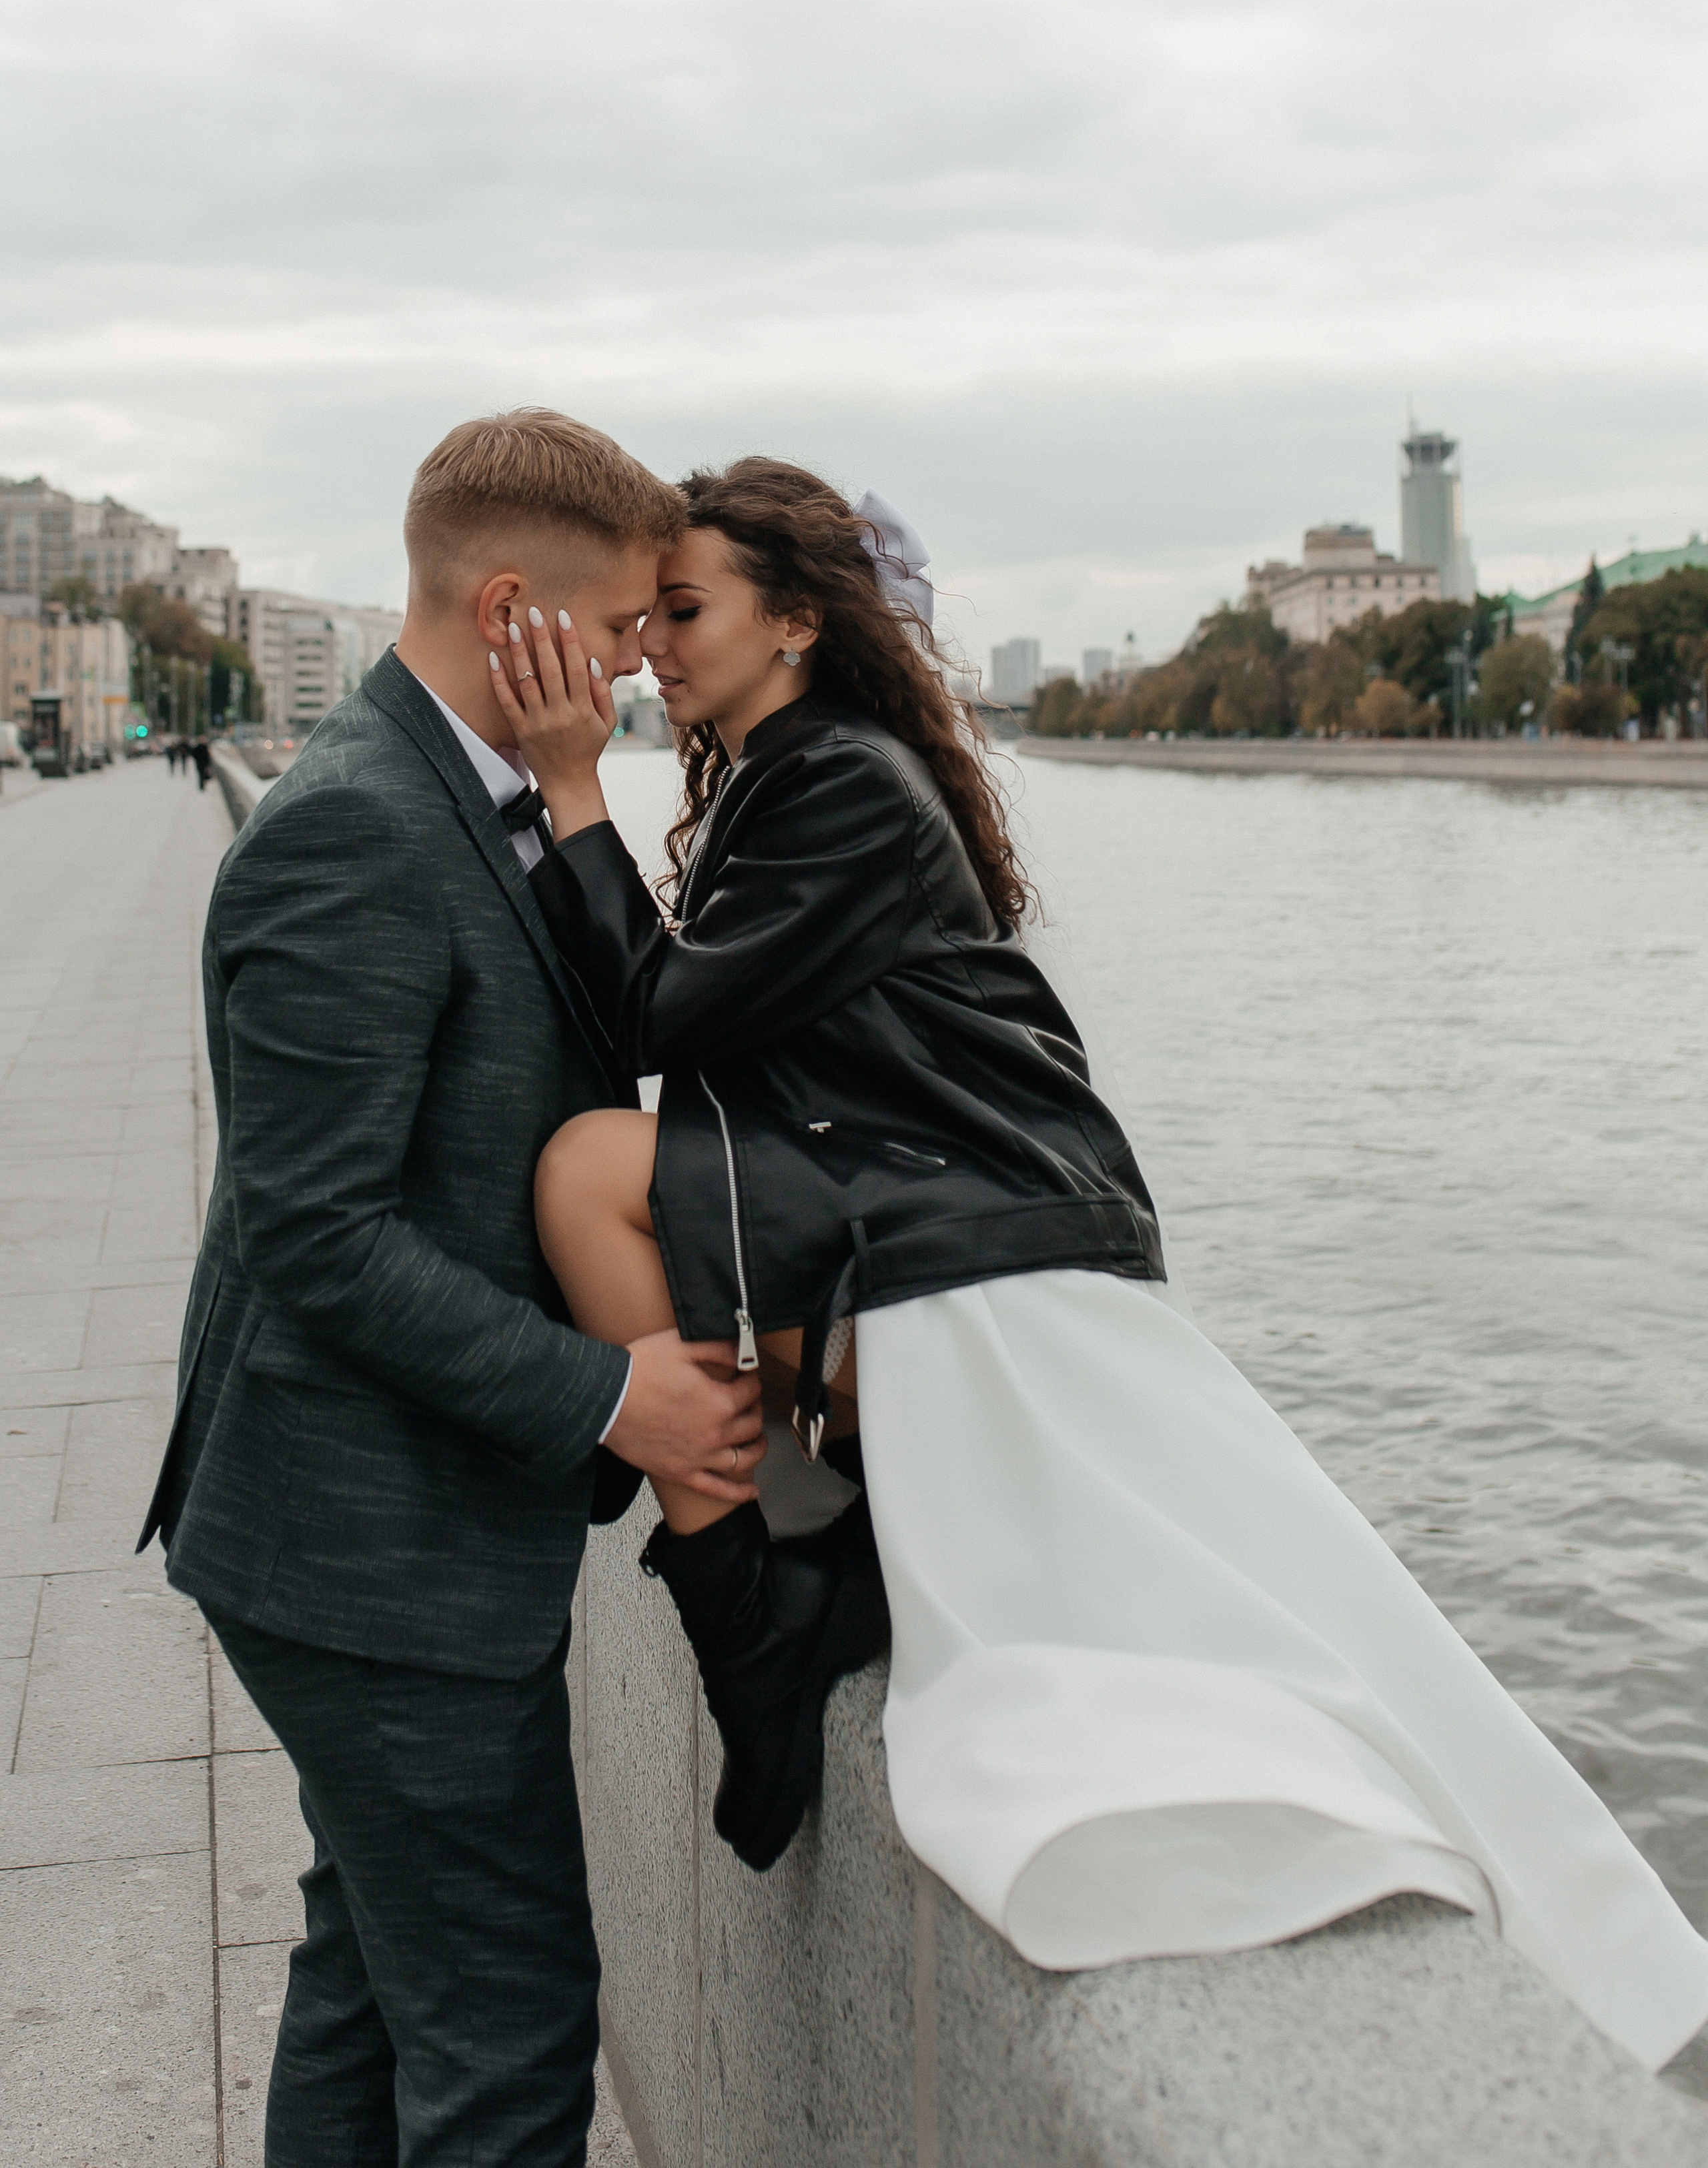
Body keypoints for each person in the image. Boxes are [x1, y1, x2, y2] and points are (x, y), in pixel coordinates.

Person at [496, 456, 1708, 2076]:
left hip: (960, 1225)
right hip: (909, 1217)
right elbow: (675, 1013)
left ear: (795, 621)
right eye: (645, 619)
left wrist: (575, 788)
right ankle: (778, 1591)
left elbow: (651, 1020)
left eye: (682, 613)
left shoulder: (839, 781)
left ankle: (751, 1621)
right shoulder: (779, 776)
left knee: (584, 1174)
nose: (650, 647)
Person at [137, 411, 767, 2168]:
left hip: (373, 1542)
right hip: (364, 1562)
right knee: (502, 2031)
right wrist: (610, 1395)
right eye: (631, 628)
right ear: (516, 610)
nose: (648, 667)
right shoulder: (353, 833)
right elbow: (313, 1232)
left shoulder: (467, 795)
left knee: (368, 1980)